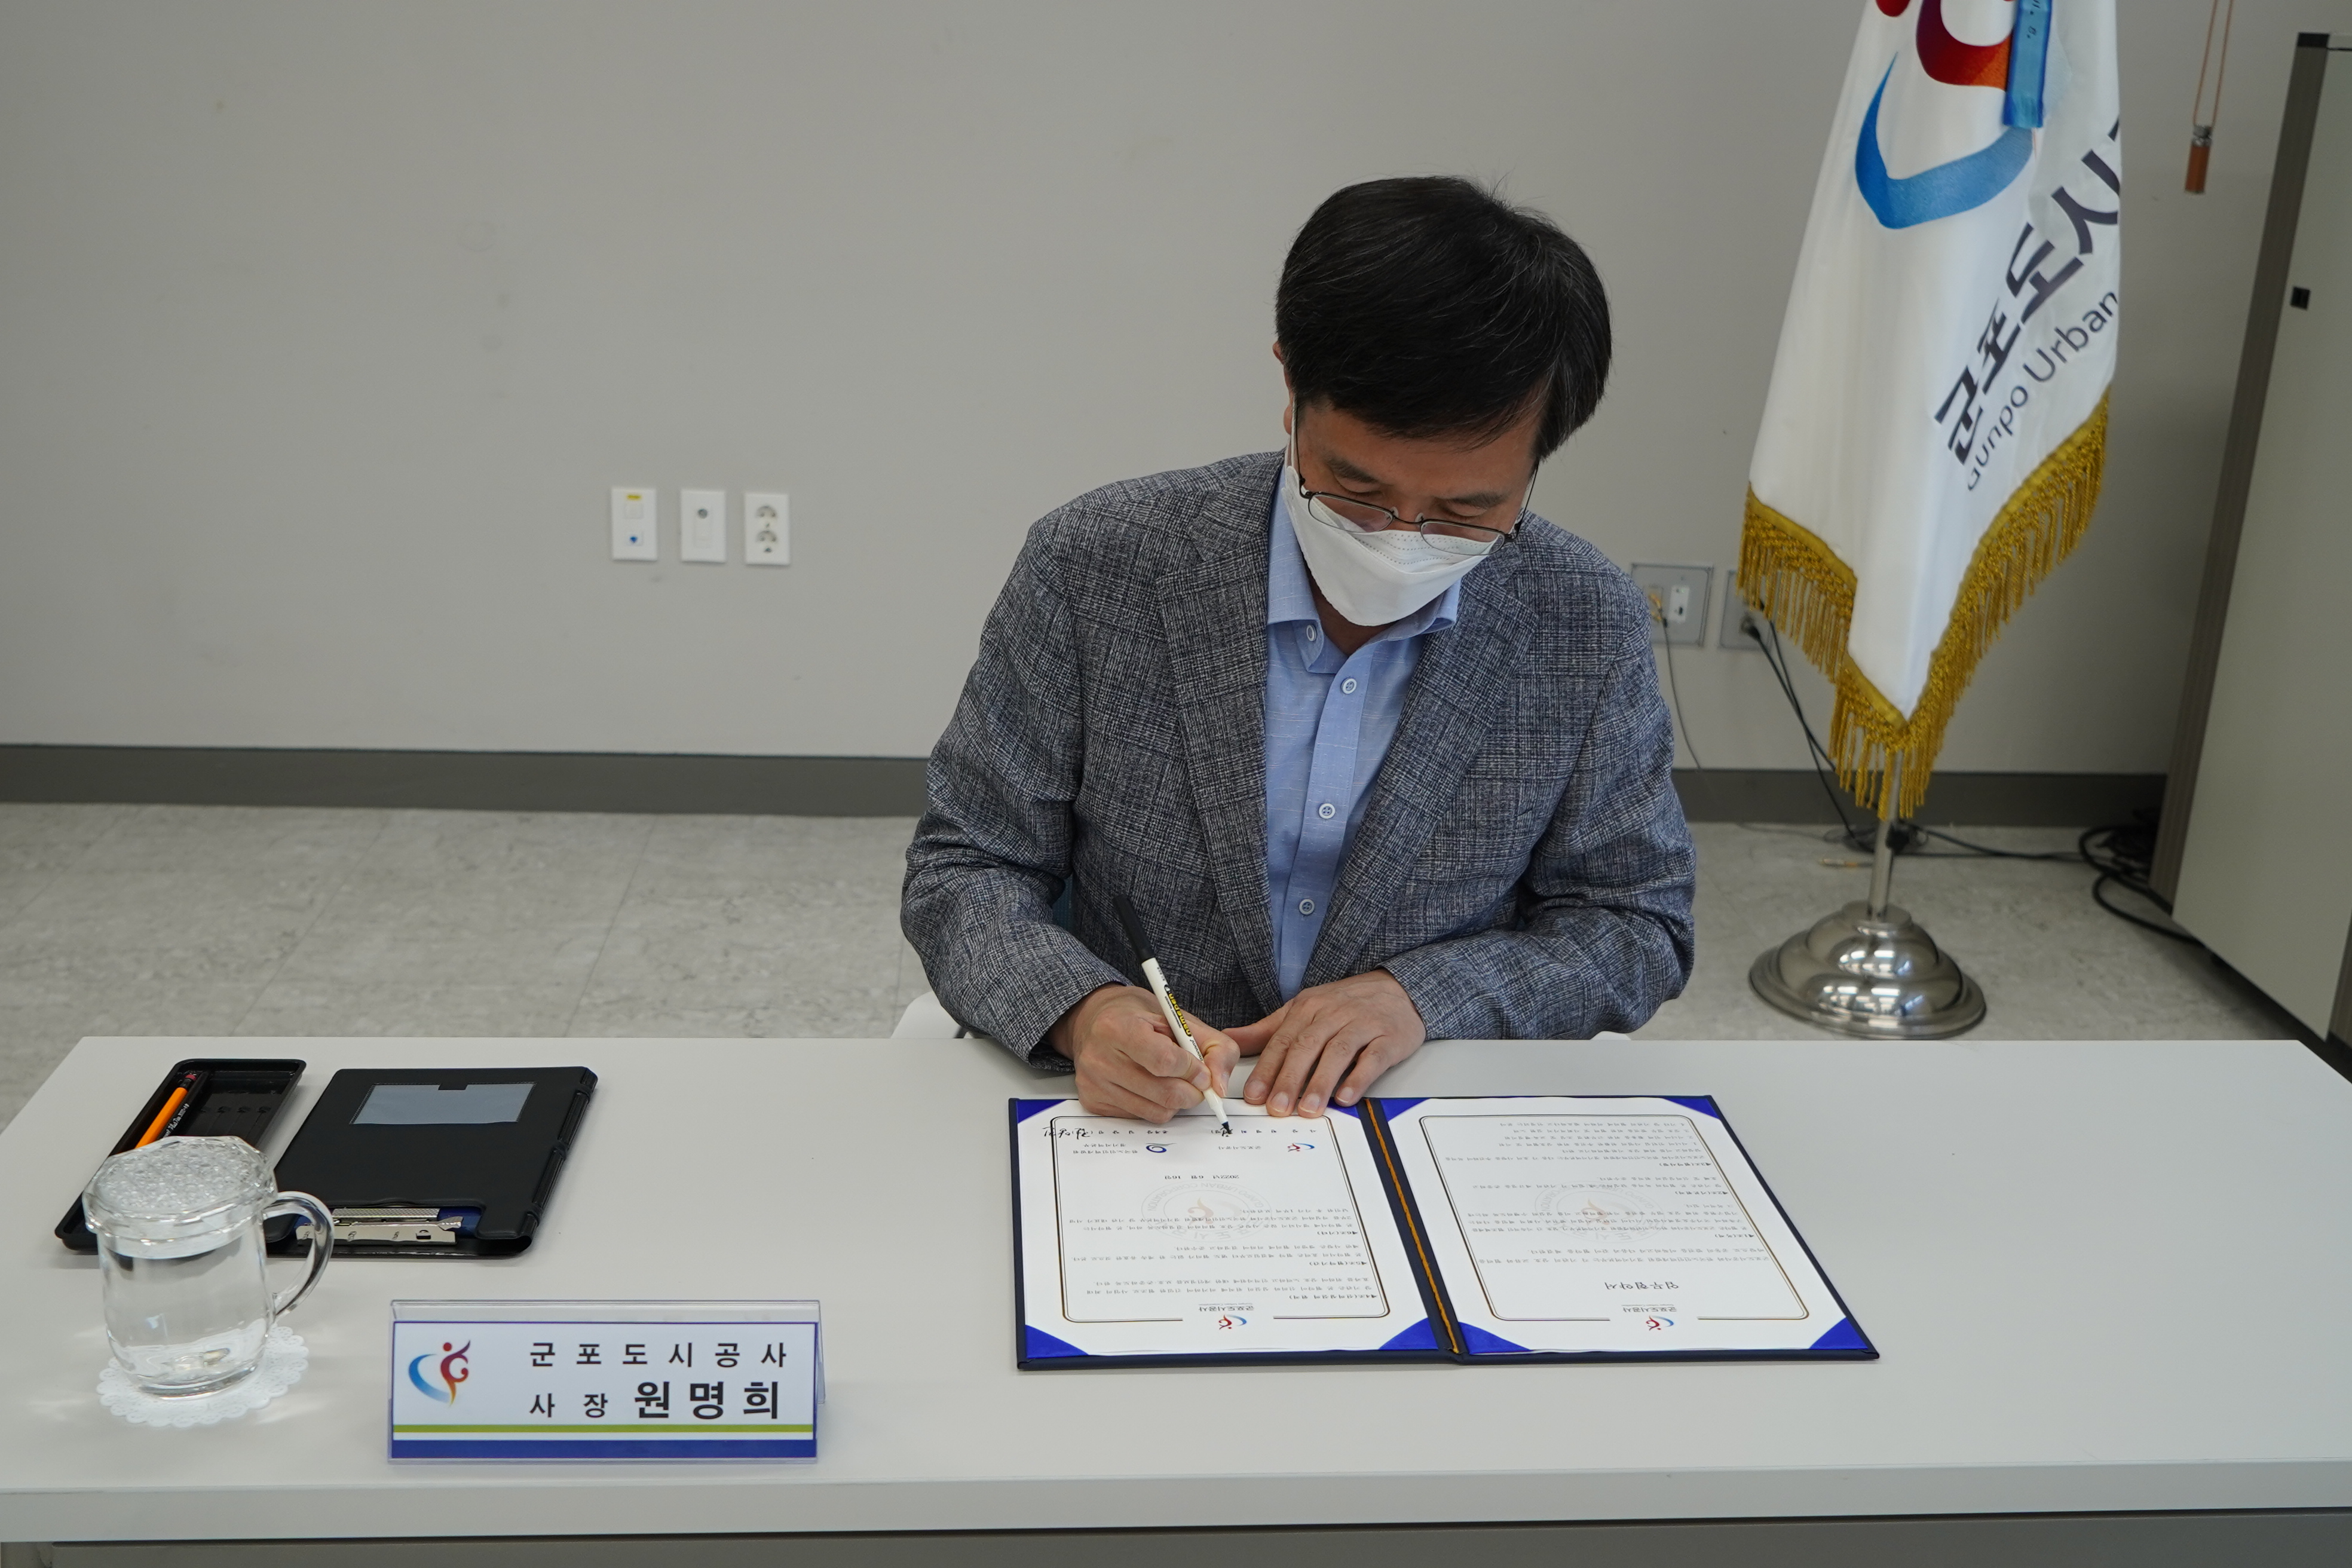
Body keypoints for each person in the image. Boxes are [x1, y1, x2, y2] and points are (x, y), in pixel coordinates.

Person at [903, 176, 1695, 1122]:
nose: (1400, 541)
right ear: (1290, 385)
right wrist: (1085, 1010)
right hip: (1146, 1110)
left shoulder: (1583, 619)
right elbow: (969, 864)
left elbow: (1633, 922)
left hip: (1416, 1101)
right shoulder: (1100, 563)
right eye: (1356, 494)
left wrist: (1420, 997)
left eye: (1465, 512)